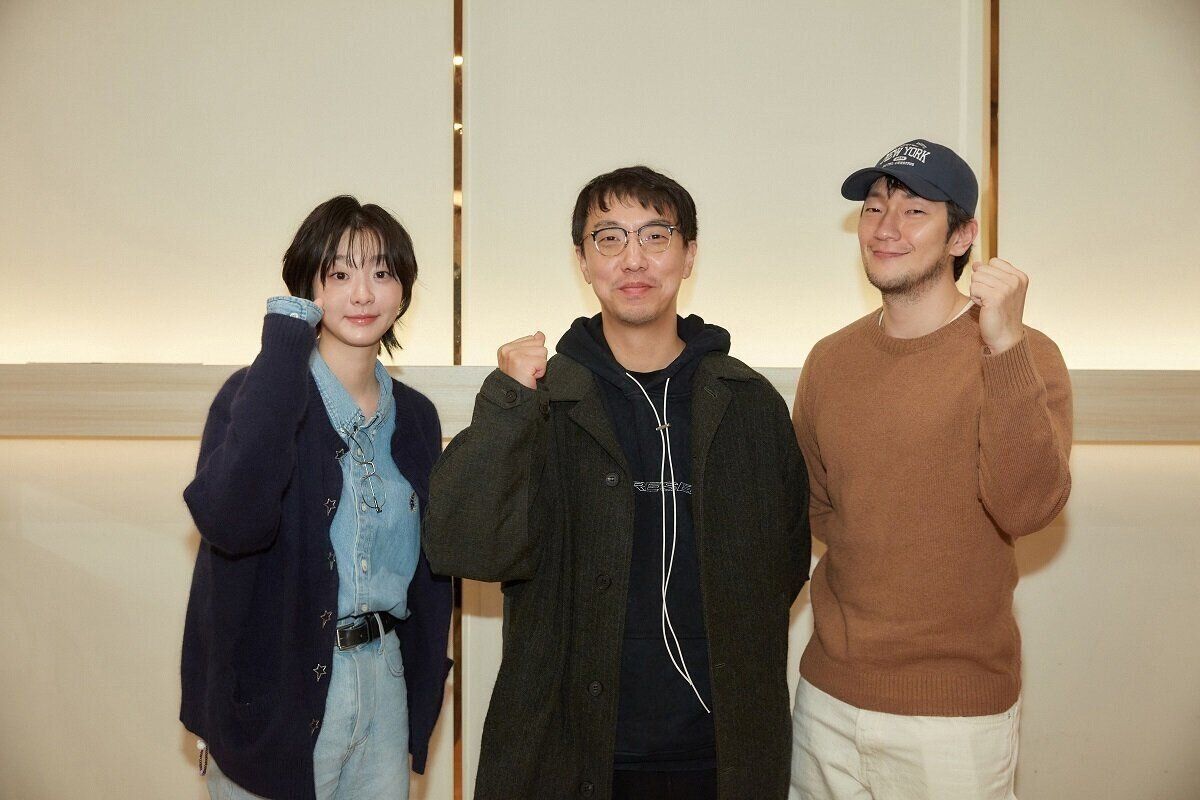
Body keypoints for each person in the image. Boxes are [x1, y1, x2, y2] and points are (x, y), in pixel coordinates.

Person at [424, 165, 811, 800]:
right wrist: (506, 401)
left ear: (689, 255)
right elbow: (463, 545)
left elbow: (783, 565)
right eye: (609, 238)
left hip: (720, 751)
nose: (633, 258)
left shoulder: (747, 402)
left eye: (656, 236)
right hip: (568, 746)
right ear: (582, 259)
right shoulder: (542, 399)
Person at [788, 139, 1073, 800]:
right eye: (874, 207)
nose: (886, 227)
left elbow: (1026, 507)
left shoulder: (1026, 355)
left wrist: (1004, 345)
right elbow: (818, 507)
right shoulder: (830, 360)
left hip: (954, 719)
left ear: (962, 236)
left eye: (915, 210)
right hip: (827, 699)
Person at [179, 196, 452, 800]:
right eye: (340, 273)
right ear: (308, 286)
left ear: (403, 291)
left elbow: (430, 577)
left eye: (382, 272)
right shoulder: (255, 395)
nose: (363, 294)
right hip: (278, 686)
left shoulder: (416, 417)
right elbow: (232, 523)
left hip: (384, 683)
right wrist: (283, 345)